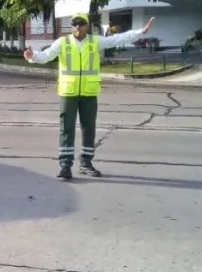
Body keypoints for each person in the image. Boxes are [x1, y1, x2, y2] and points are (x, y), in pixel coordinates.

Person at [23, 13, 156, 180]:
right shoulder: (63, 42)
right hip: (68, 94)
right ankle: (65, 166)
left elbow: (117, 39)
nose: (77, 26)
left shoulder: (95, 41)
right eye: (74, 23)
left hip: (89, 93)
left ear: (87, 25)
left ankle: (86, 163)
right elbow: (46, 55)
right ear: (71, 26)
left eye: (81, 23)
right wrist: (32, 56)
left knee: (89, 129)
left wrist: (140, 32)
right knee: (66, 129)